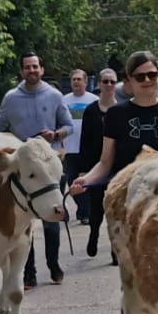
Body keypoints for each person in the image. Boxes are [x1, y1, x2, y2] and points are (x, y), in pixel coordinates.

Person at [0, 52, 74, 289]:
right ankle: (28, 274)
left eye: (35, 66)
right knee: (22, 221)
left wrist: (56, 134)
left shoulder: (54, 95)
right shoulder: (11, 98)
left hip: (48, 167)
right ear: (21, 72)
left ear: (42, 69)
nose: (32, 70)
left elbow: (69, 126)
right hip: (22, 169)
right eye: (27, 67)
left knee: (52, 219)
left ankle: (53, 264)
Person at [70, 49, 158, 261]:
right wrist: (86, 179)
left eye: (152, 75)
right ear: (129, 80)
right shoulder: (116, 115)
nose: (147, 81)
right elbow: (105, 162)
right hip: (129, 205)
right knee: (134, 267)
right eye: (140, 76)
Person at [76, 68, 121, 258]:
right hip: (96, 166)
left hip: (117, 167)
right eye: (105, 81)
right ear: (99, 84)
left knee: (116, 210)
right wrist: (83, 170)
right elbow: (84, 141)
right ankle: (93, 234)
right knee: (96, 208)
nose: (109, 85)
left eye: (112, 82)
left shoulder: (122, 110)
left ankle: (114, 248)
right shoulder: (91, 111)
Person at [62, 69, 98, 225]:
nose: (76, 82)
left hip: (89, 149)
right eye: (73, 79)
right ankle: (83, 210)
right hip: (70, 149)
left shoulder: (94, 100)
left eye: (79, 79)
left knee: (88, 181)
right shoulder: (63, 101)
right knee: (73, 181)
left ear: (85, 82)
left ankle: (85, 213)